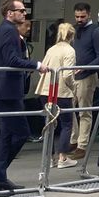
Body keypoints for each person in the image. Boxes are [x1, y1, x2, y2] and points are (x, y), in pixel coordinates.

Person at [0, 0, 48, 191]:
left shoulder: (7, 30)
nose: (24, 13)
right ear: (9, 13)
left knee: (7, 134)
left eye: (24, 10)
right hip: (7, 91)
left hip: (7, 90)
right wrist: (37, 65)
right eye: (21, 10)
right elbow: (11, 60)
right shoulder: (8, 31)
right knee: (20, 132)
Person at [34, 23, 78, 169]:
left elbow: (42, 70)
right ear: (72, 36)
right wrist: (74, 86)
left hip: (45, 90)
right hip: (62, 92)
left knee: (50, 124)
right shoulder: (70, 51)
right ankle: (62, 158)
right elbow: (67, 74)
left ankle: (51, 158)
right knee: (67, 125)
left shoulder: (51, 49)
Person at [69, 2, 99, 160]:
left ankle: (81, 144)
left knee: (84, 111)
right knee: (70, 109)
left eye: (82, 16)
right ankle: (73, 140)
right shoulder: (75, 30)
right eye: (77, 16)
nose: (79, 19)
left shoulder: (96, 31)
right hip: (73, 74)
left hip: (87, 75)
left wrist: (86, 68)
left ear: (89, 14)